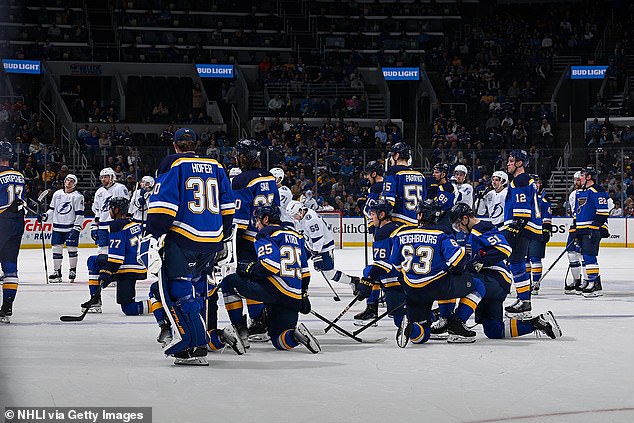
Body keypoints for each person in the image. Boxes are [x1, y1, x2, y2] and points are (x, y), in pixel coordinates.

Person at [142, 128, 236, 366]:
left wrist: (153, 234)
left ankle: (194, 345)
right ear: (196, 145)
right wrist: (222, 237)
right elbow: (228, 207)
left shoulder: (173, 163)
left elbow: (164, 203)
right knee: (199, 288)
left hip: (183, 237)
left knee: (179, 290)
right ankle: (199, 340)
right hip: (212, 239)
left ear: (175, 145)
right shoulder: (216, 166)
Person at [449, 203, 562, 340]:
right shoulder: (473, 233)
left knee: (468, 283)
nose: (459, 228)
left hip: (495, 280)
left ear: (465, 218)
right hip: (492, 283)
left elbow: (505, 248)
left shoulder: (482, 228)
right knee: (494, 331)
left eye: (458, 224)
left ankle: (456, 322)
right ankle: (538, 323)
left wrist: (481, 260)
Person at [220, 204, 320, 353]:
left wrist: (247, 269)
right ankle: (296, 335)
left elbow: (269, 267)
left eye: (258, 220)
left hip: (275, 290)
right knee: (279, 339)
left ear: (266, 219)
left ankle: (240, 332)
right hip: (293, 295)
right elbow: (305, 273)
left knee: (228, 282)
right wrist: (303, 295)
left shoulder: (266, 234)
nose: (256, 224)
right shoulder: (296, 235)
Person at [391, 199, 486, 346]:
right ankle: (456, 324)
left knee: (422, 337)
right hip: (437, 286)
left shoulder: (401, 233)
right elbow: (457, 259)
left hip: (412, 290)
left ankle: (412, 328)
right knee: (477, 285)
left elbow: (396, 265)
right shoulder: (441, 233)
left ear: (420, 215)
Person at [231, 138, 280, 343]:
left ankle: (247, 324)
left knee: (237, 280)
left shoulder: (241, 180)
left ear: (244, 157)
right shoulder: (269, 177)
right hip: (268, 236)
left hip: (248, 240)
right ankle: (262, 320)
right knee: (261, 278)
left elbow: (239, 220)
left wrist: (231, 244)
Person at [81, 196, 148, 314]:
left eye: (111, 208)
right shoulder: (133, 223)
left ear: (116, 210)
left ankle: (95, 301)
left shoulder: (117, 226)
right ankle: (159, 304)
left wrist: (106, 272)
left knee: (92, 261)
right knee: (129, 308)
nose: (109, 211)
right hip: (138, 266)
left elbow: (116, 259)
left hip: (126, 268)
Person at [501, 150, 542, 318]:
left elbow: (522, 210)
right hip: (527, 227)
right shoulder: (526, 179)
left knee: (516, 263)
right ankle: (523, 300)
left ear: (519, 163)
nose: (508, 164)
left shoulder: (521, 179)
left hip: (522, 227)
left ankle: (524, 302)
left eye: (511, 161)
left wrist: (515, 228)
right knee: (517, 263)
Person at [287, 200, 360, 288]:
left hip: (324, 247)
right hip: (310, 245)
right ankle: (298, 285)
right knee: (297, 262)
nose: (294, 218)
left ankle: (353, 281)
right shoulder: (301, 216)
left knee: (328, 273)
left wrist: (317, 256)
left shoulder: (311, 220)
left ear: (300, 211)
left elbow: (318, 240)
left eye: (295, 215)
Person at [357, 199, 406, 328]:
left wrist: (368, 280)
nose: (371, 217)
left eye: (373, 214)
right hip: (408, 275)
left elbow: (383, 264)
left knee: (369, 271)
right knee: (370, 270)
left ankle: (372, 309)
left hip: (396, 278)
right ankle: (372, 309)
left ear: (382, 215)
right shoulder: (396, 227)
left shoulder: (383, 232)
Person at [355, 160, 386, 323]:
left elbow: (368, 210)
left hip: (380, 231)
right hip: (390, 229)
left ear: (374, 173)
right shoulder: (389, 185)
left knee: (376, 268)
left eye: (368, 174)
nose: (367, 177)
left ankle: (372, 307)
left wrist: (361, 203)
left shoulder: (375, 188)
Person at [38, 174, 84, 283]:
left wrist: (77, 227)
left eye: (71, 181)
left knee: (72, 249)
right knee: (56, 249)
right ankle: (57, 272)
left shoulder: (77, 196)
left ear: (75, 184)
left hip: (71, 228)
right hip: (57, 227)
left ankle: (73, 270)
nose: (68, 182)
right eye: (67, 180)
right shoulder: (57, 194)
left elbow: (79, 214)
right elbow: (52, 210)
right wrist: (45, 216)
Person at [573, 167, 610, 297]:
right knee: (585, 256)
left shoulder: (597, 190)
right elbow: (578, 213)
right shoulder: (582, 192)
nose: (580, 178)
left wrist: (594, 227)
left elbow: (603, 212)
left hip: (591, 229)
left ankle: (593, 284)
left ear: (588, 177)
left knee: (589, 256)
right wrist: (576, 229)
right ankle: (593, 282)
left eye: (582, 175)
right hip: (582, 229)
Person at [0, 140, 25, 323]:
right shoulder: (19, 175)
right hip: (18, 220)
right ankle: (7, 306)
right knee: (10, 265)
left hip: (2, 219)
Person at [91, 167, 129, 272]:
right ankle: (105, 271)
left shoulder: (120, 188)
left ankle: (116, 272)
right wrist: (94, 226)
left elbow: (124, 206)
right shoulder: (99, 191)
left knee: (116, 249)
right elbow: (97, 210)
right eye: (102, 177)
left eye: (106, 177)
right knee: (102, 249)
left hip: (115, 224)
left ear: (112, 177)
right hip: (103, 225)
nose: (103, 179)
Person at [383, 142, 426, 225]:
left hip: (399, 220)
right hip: (417, 222)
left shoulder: (393, 172)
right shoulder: (420, 175)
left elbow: (388, 200)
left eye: (392, 156)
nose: (391, 159)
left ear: (397, 156)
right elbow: (424, 200)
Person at [526, 174, 552, 294]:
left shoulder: (543, 200)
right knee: (525, 259)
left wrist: (546, 230)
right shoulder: (524, 198)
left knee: (535, 258)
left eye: (538, 182)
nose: (536, 185)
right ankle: (526, 283)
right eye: (534, 183)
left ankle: (535, 283)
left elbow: (547, 218)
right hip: (525, 232)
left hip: (537, 232)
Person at [564, 171, 584, 294]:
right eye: (575, 180)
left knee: (584, 255)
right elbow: (574, 213)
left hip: (586, 227)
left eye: (579, 180)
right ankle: (577, 280)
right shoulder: (573, 195)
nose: (576, 182)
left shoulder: (591, 193)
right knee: (571, 254)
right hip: (575, 226)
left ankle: (588, 281)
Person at [430, 163, 456, 232]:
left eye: (437, 172)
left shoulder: (448, 187)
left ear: (443, 175)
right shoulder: (434, 186)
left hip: (445, 221)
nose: (433, 174)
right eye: (433, 172)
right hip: (436, 220)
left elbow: (440, 205)